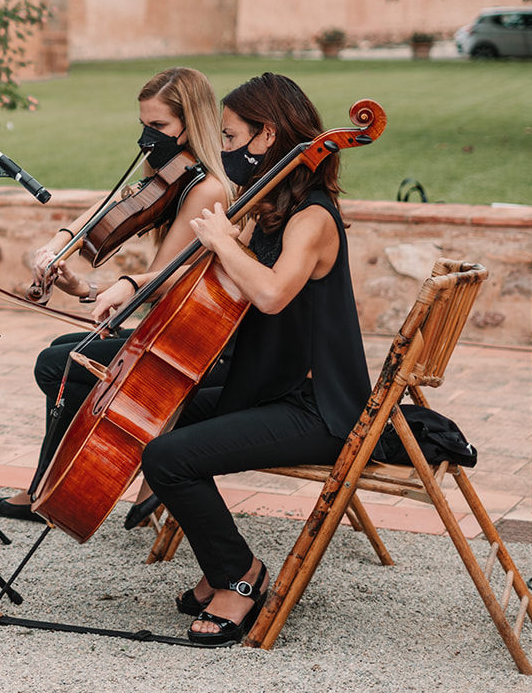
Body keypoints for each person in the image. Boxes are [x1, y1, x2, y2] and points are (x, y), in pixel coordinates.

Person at [139, 72, 371, 644]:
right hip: (273, 386)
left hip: (318, 408)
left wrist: (224, 242)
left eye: (230, 135)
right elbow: (216, 286)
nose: (222, 149)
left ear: (266, 137)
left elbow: (269, 294)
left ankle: (238, 577)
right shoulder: (268, 208)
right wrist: (132, 284)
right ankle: (219, 562)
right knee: (159, 420)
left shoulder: (312, 218)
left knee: (170, 457)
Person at [0, 67, 232, 524]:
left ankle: (71, 483)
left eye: (158, 127)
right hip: (172, 324)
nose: (147, 137)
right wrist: (59, 251)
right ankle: (53, 485)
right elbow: (104, 210)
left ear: (190, 124)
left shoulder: (207, 188)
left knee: (59, 362)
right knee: (63, 352)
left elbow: (163, 282)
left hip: (199, 343)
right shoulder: (171, 174)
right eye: (144, 124)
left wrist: (102, 287)